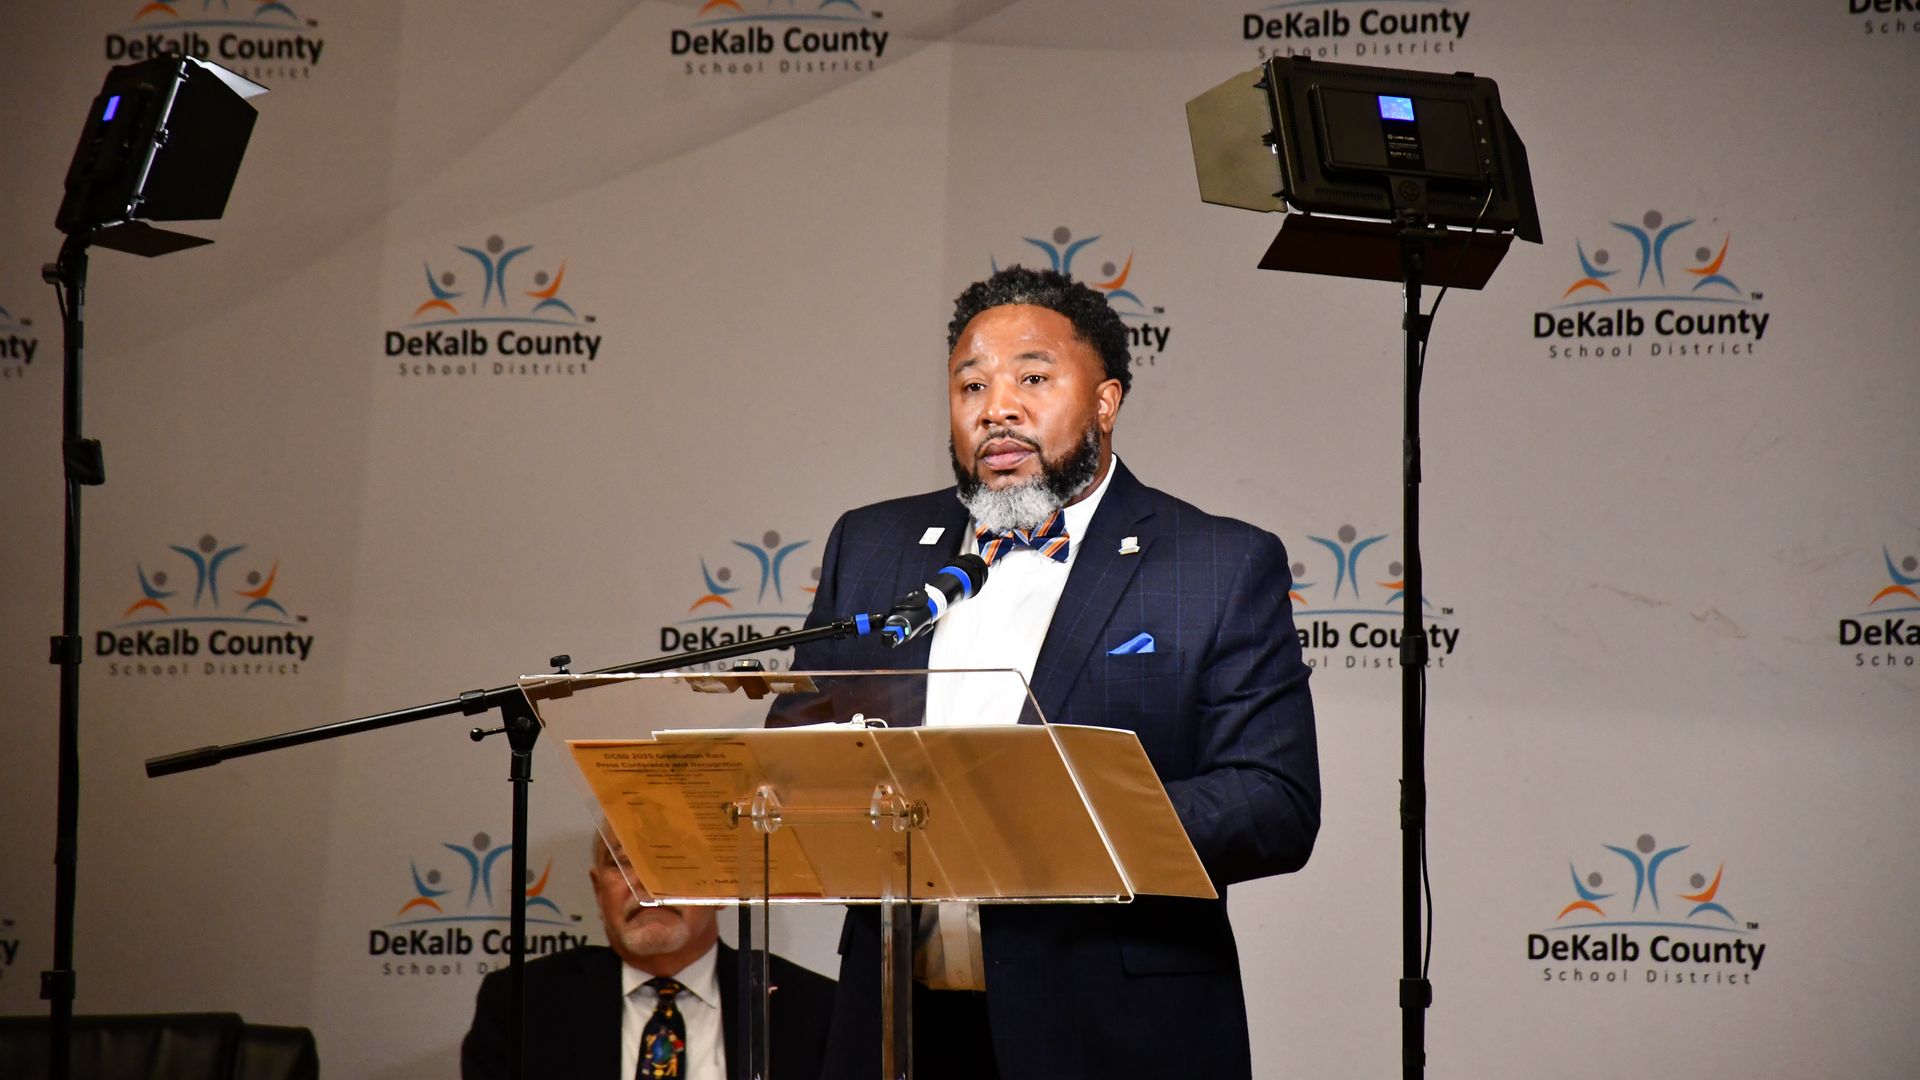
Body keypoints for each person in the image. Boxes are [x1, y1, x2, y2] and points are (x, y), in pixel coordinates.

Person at [776, 265, 1321, 1080]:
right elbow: (795, 742)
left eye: (1033, 377)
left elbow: (1273, 801)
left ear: (1105, 401)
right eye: (971, 385)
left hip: (1113, 1034)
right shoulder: (872, 544)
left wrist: (1055, 816)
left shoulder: (1215, 562)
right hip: (897, 1026)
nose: (997, 406)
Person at [460, 835, 837, 1080]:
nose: (645, 882)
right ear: (598, 889)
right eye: (622, 862)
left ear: (724, 887)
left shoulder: (814, 1009)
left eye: (670, 858)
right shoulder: (522, 1003)